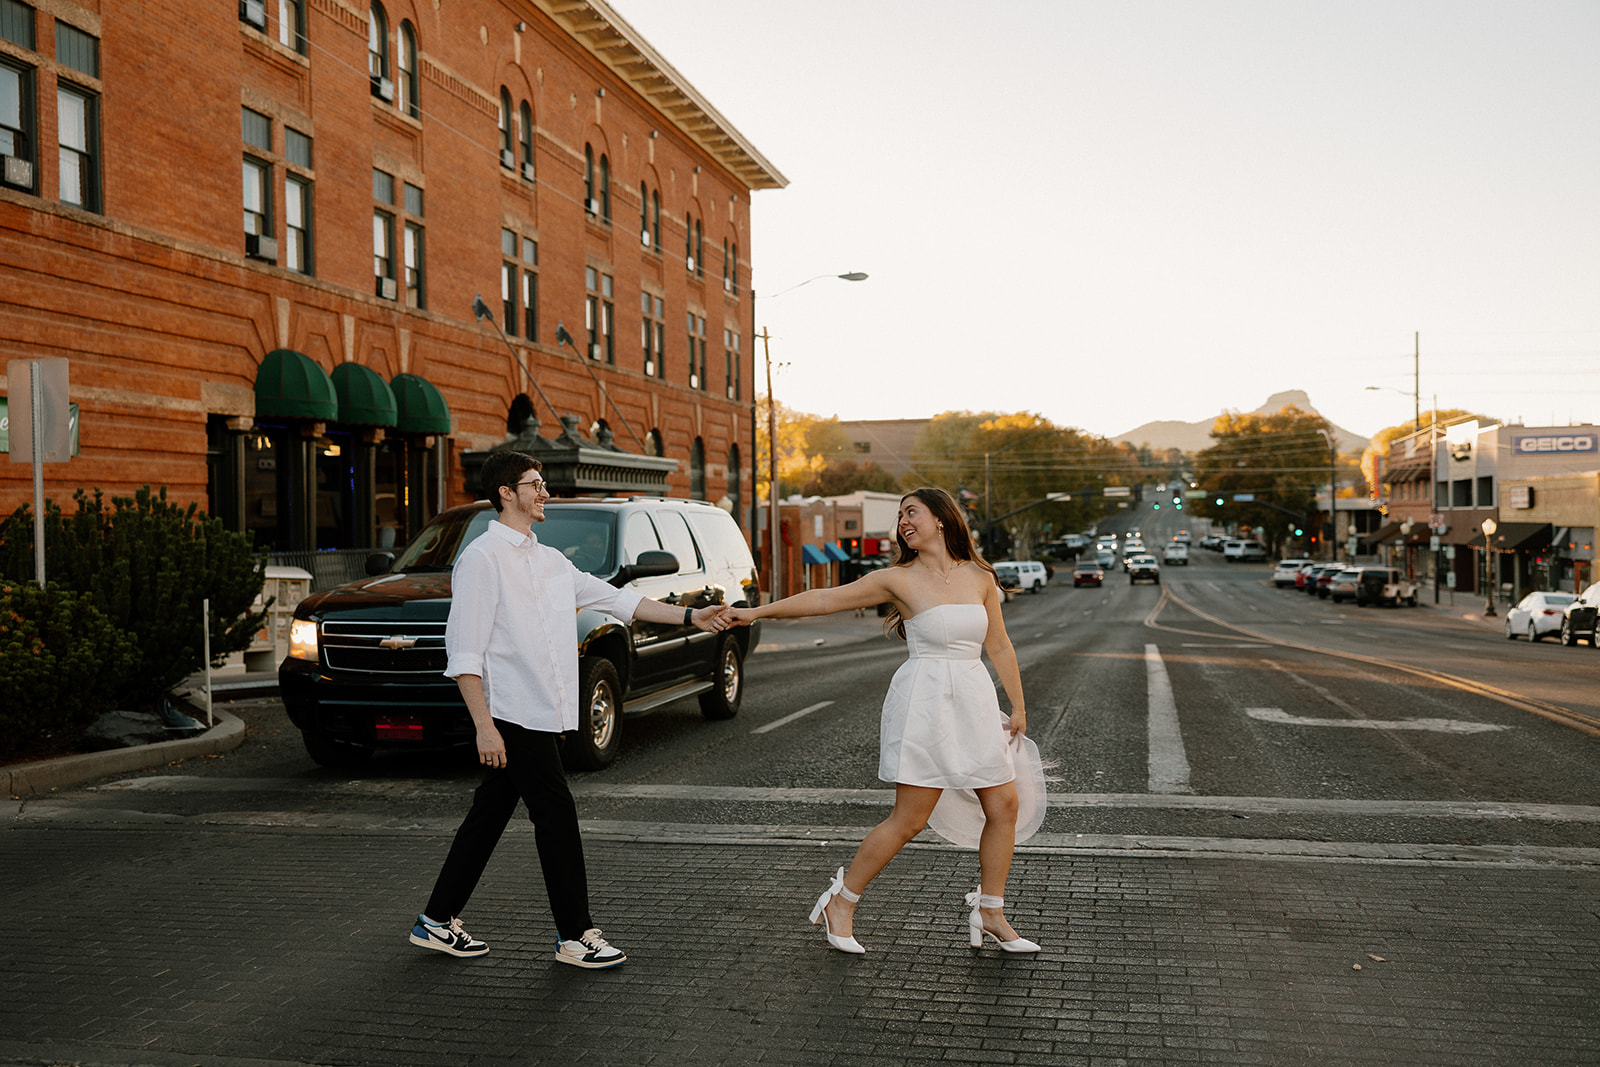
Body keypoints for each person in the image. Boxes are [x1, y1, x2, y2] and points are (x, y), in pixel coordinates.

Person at [409, 450, 731, 969]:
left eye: (542, 484)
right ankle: (574, 935)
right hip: (512, 713)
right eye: (535, 485)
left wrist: (693, 615)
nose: (545, 493)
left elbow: (619, 601)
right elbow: (464, 653)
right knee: (555, 815)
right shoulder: (482, 560)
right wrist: (484, 726)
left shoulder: (550, 560)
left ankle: (436, 921)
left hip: (540, 711)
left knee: (488, 817)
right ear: (506, 494)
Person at [725, 486, 1040, 954]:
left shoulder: (979, 576)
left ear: (941, 519)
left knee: (1004, 806)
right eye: (899, 517)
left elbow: (998, 645)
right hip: (924, 703)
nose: (904, 523)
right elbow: (822, 599)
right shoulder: (897, 579)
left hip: (973, 702)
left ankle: (990, 911)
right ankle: (843, 901)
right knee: (909, 819)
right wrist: (753, 613)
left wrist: (1017, 706)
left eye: (911, 513)